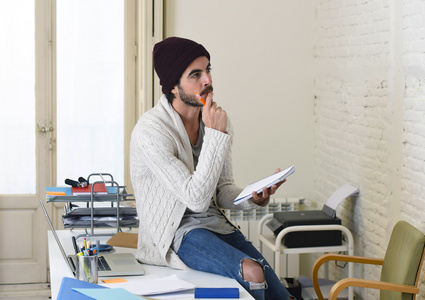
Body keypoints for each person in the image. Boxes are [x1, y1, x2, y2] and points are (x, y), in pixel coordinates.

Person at [130, 36, 294, 300]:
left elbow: (222, 190)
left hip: (216, 225)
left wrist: (253, 197)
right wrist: (217, 135)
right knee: (252, 273)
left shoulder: (214, 122)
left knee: (281, 296)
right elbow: (195, 199)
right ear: (173, 86)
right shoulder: (150, 131)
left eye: (208, 69)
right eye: (196, 74)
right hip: (177, 233)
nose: (207, 80)